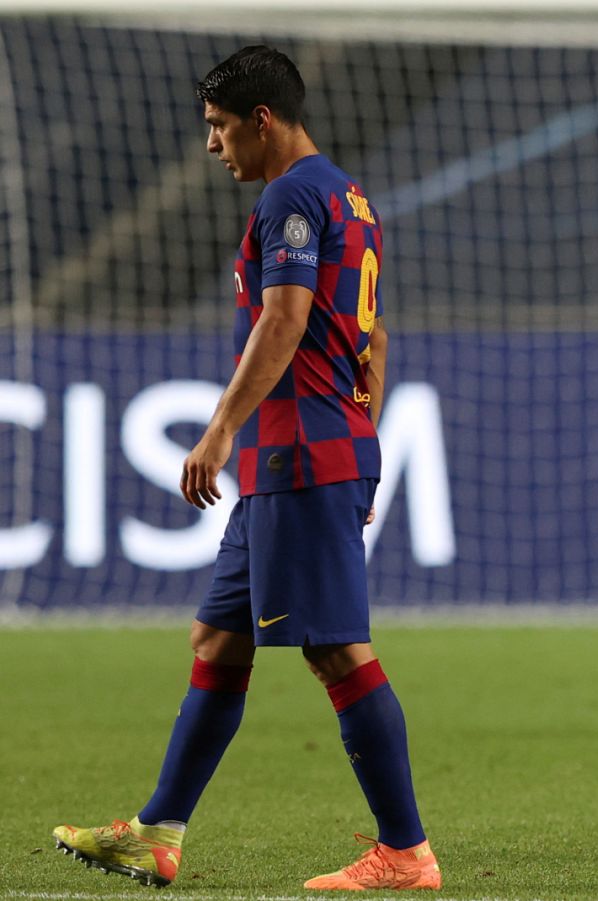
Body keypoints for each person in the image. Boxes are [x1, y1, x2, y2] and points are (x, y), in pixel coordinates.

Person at [50, 46, 440, 891]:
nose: (213, 145)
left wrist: (221, 427)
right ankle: (158, 832)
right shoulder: (350, 193)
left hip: (299, 450)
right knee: (217, 638)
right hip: (305, 453)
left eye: (221, 127)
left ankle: (405, 850)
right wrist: (360, 425)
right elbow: (372, 334)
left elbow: (286, 320)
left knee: (337, 651)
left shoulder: (291, 195)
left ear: (263, 120)